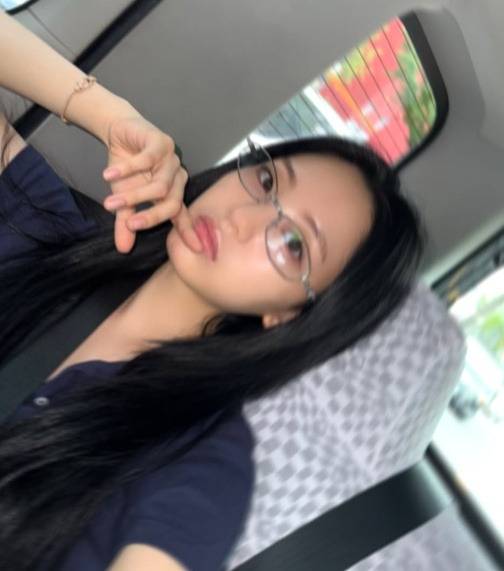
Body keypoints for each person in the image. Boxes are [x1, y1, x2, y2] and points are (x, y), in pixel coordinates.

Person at [0, 9, 425, 571]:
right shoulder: (60, 240)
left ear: (290, 314)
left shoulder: (203, 459)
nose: (244, 217)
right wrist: (109, 114)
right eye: (267, 180)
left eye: (293, 244)